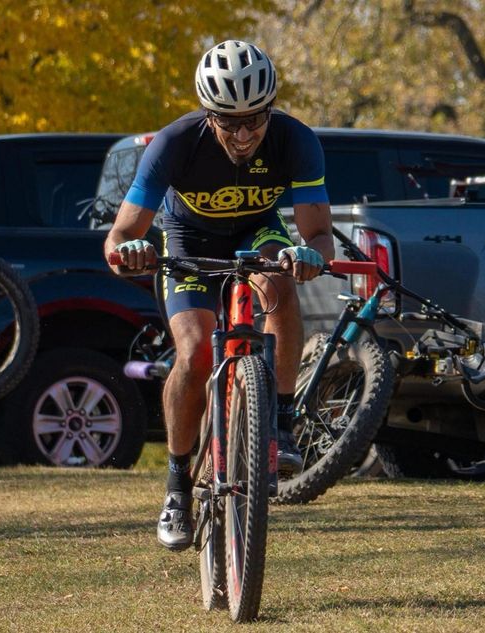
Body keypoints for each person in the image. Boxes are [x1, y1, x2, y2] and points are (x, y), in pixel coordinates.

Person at [105, 39, 334, 551]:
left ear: (270, 109)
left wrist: (310, 254)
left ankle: (282, 419)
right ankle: (176, 486)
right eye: (229, 122)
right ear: (209, 115)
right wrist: (133, 251)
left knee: (279, 282)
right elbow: (117, 238)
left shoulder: (296, 141)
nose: (245, 133)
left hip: (258, 233)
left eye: (256, 118)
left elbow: (319, 233)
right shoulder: (174, 143)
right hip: (186, 242)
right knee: (195, 351)